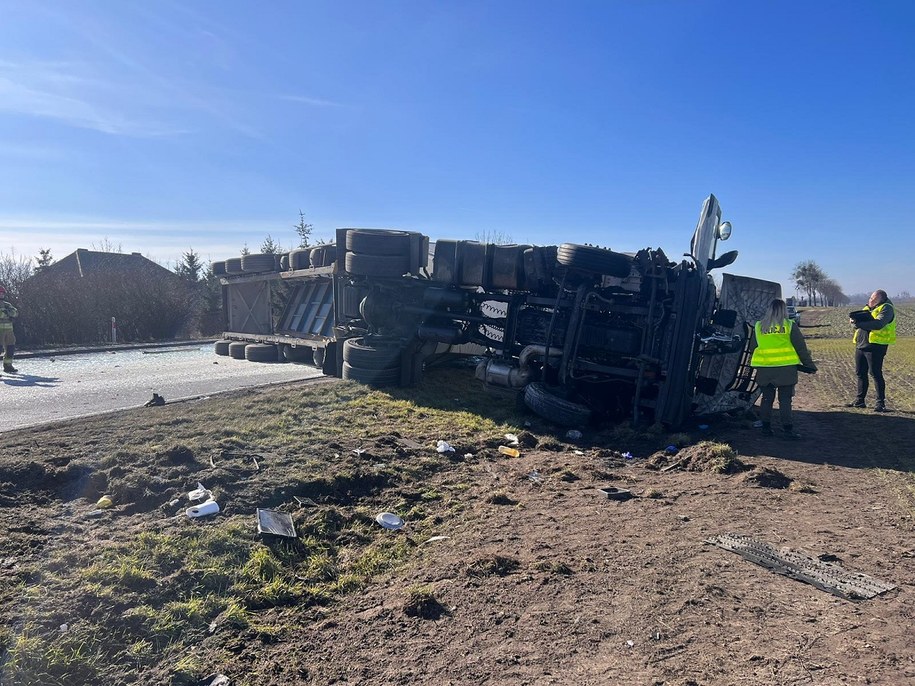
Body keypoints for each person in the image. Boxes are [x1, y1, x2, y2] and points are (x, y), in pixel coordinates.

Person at [749, 298, 817, 439]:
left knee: (767, 399)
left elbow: (752, 348)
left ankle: (766, 429)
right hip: (786, 370)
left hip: (765, 369)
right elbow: (801, 348)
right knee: (785, 400)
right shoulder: (789, 325)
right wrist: (809, 365)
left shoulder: (758, 326)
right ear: (783, 310)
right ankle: (787, 431)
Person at [847, 289, 895, 412]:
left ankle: (880, 403)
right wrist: (854, 322)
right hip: (861, 344)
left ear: (880, 299)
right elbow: (854, 323)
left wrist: (859, 324)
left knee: (875, 373)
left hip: (876, 346)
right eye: (870, 298)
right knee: (860, 373)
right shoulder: (867, 308)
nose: (870, 300)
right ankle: (860, 400)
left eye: (872, 298)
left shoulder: (887, 308)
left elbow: (879, 324)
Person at [0, 284, 18, 374]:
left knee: (10, 348)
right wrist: (7, 313)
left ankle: (8, 365)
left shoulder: (7, 304)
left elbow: (15, 312)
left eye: (2, 293)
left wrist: (6, 313)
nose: (1, 295)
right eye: (0, 293)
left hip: (9, 331)